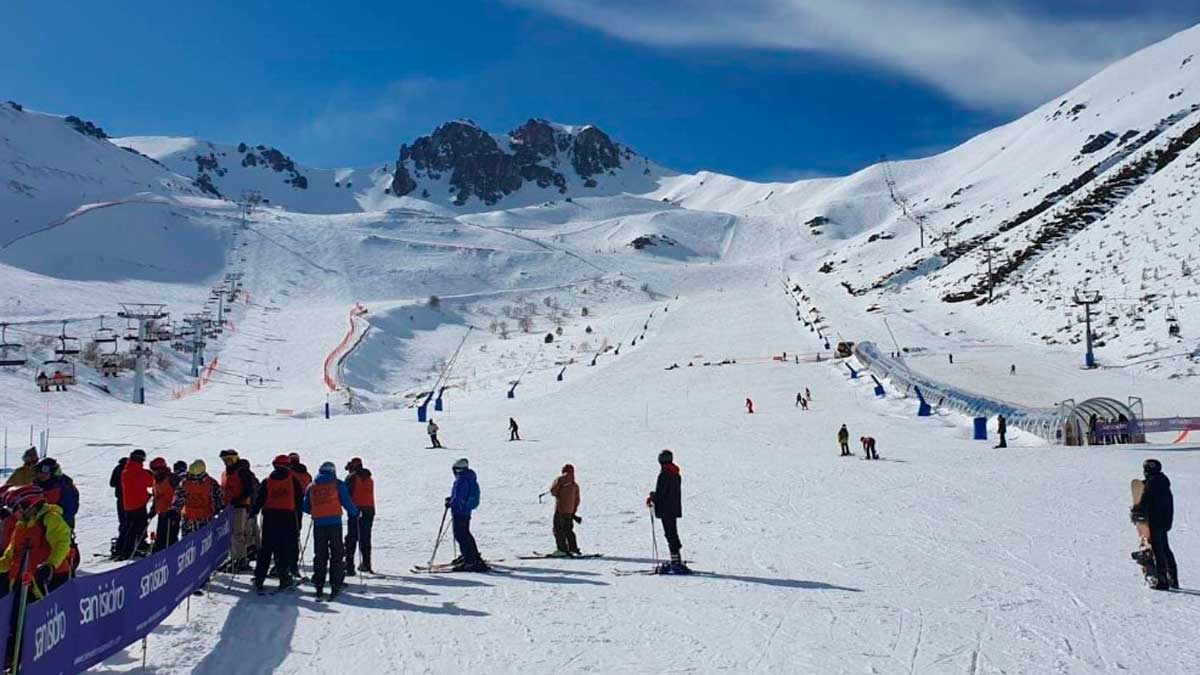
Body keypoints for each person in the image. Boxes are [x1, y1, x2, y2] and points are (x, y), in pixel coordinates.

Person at [0, 485, 73, 601]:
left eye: (14, 510)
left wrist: (50, 565)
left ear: (27, 505)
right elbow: (10, 556)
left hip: (48, 580)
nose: (14, 515)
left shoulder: (50, 518)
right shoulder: (21, 526)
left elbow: (62, 544)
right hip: (24, 584)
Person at [303, 461, 358, 599]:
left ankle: (319, 584)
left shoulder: (312, 486)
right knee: (336, 554)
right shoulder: (337, 484)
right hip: (334, 523)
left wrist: (316, 511)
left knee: (320, 554)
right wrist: (355, 513)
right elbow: (346, 501)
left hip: (318, 524)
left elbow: (306, 506)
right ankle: (336, 584)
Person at [252, 455, 304, 593]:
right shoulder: (293, 480)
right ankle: (284, 578)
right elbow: (299, 501)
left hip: (270, 517)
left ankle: (259, 578)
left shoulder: (268, 480)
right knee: (282, 550)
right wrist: (299, 521)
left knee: (266, 549)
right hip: (288, 517)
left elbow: (260, 499)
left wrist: (253, 512)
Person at [1136, 459, 1178, 590]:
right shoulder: (1162, 482)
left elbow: (1147, 499)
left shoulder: (1152, 484)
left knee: (1158, 550)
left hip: (1155, 520)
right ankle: (1173, 578)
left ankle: (1162, 580)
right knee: (1165, 549)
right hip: (1164, 521)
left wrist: (1137, 511)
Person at [647, 449, 688, 574]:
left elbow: (661, 493)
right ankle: (676, 559)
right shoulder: (675, 473)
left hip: (666, 509)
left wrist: (652, 497)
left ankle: (675, 562)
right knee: (672, 533)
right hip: (673, 508)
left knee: (670, 534)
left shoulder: (665, 474)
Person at [219, 449, 259, 572]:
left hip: (241, 506)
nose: (226, 463)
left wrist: (239, 500)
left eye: (229, 460)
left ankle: (240, 559)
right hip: (230, 506)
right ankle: (238, 556)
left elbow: (249, 489)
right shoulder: (226, 473)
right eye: (224, 460)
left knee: (238, 533)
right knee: (235, 533)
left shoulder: (242, 472)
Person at [446, 458, 485, 572]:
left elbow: (459, 496)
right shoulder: (469, 477)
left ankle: (470, 560)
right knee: (464, 534)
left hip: (460, 511)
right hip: (465, 511)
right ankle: (470, 556)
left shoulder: (462, 480)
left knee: (461, 535)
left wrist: (451, 503)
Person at [116, 449, 154, 560]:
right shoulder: (138, 472)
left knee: (127, 528)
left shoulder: (126, 470)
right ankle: (129, 551)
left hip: (128, 505)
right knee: (136, 529)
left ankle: (120, 549)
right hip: (138, 505)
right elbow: (150, 481)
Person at [344, 457, 375, 575]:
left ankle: (349, 565)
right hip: (370, 509)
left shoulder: (352, 477)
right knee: (365, 537)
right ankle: (366, 564)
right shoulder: (369, 478)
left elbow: (346, 493)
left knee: (352, 537)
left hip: (356, 509)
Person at [175, 460, 223, 535]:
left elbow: (218, 498)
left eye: (197, 476)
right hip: (188, 520)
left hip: (205, 519)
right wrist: (175, 510)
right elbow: (178, 500)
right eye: (193, 476)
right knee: (188, 542)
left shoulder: (211, 483)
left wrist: (217, 509)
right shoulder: (184, 483)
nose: (194, 479)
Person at [548, 464, 580, 557]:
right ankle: (573, 549)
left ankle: (562, 550)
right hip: (569, 512)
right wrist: (573, 511)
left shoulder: (560, 480)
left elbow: (553, 492)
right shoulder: (575, 485)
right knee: (569, 530)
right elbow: (577, 500)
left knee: (558, 530)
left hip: (560, 510)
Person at [150, 458, 181, 552]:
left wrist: (175, 508)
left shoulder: (172, 478)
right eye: (153, 470)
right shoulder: (156, 480)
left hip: (173, 513)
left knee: (170, 538)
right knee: (160, 537)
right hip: (162, 512)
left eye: (155, 470)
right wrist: (153, 510)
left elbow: (182, 493)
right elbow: (156, 496)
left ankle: (172, 553)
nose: (154, 472)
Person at [289, 453, 312, 578]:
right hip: (300, 508)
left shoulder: (290, 475)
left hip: (289, 507)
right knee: (295, 536)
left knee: (286, 537)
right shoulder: (307, 475)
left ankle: (286, 564)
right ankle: (293, 564)